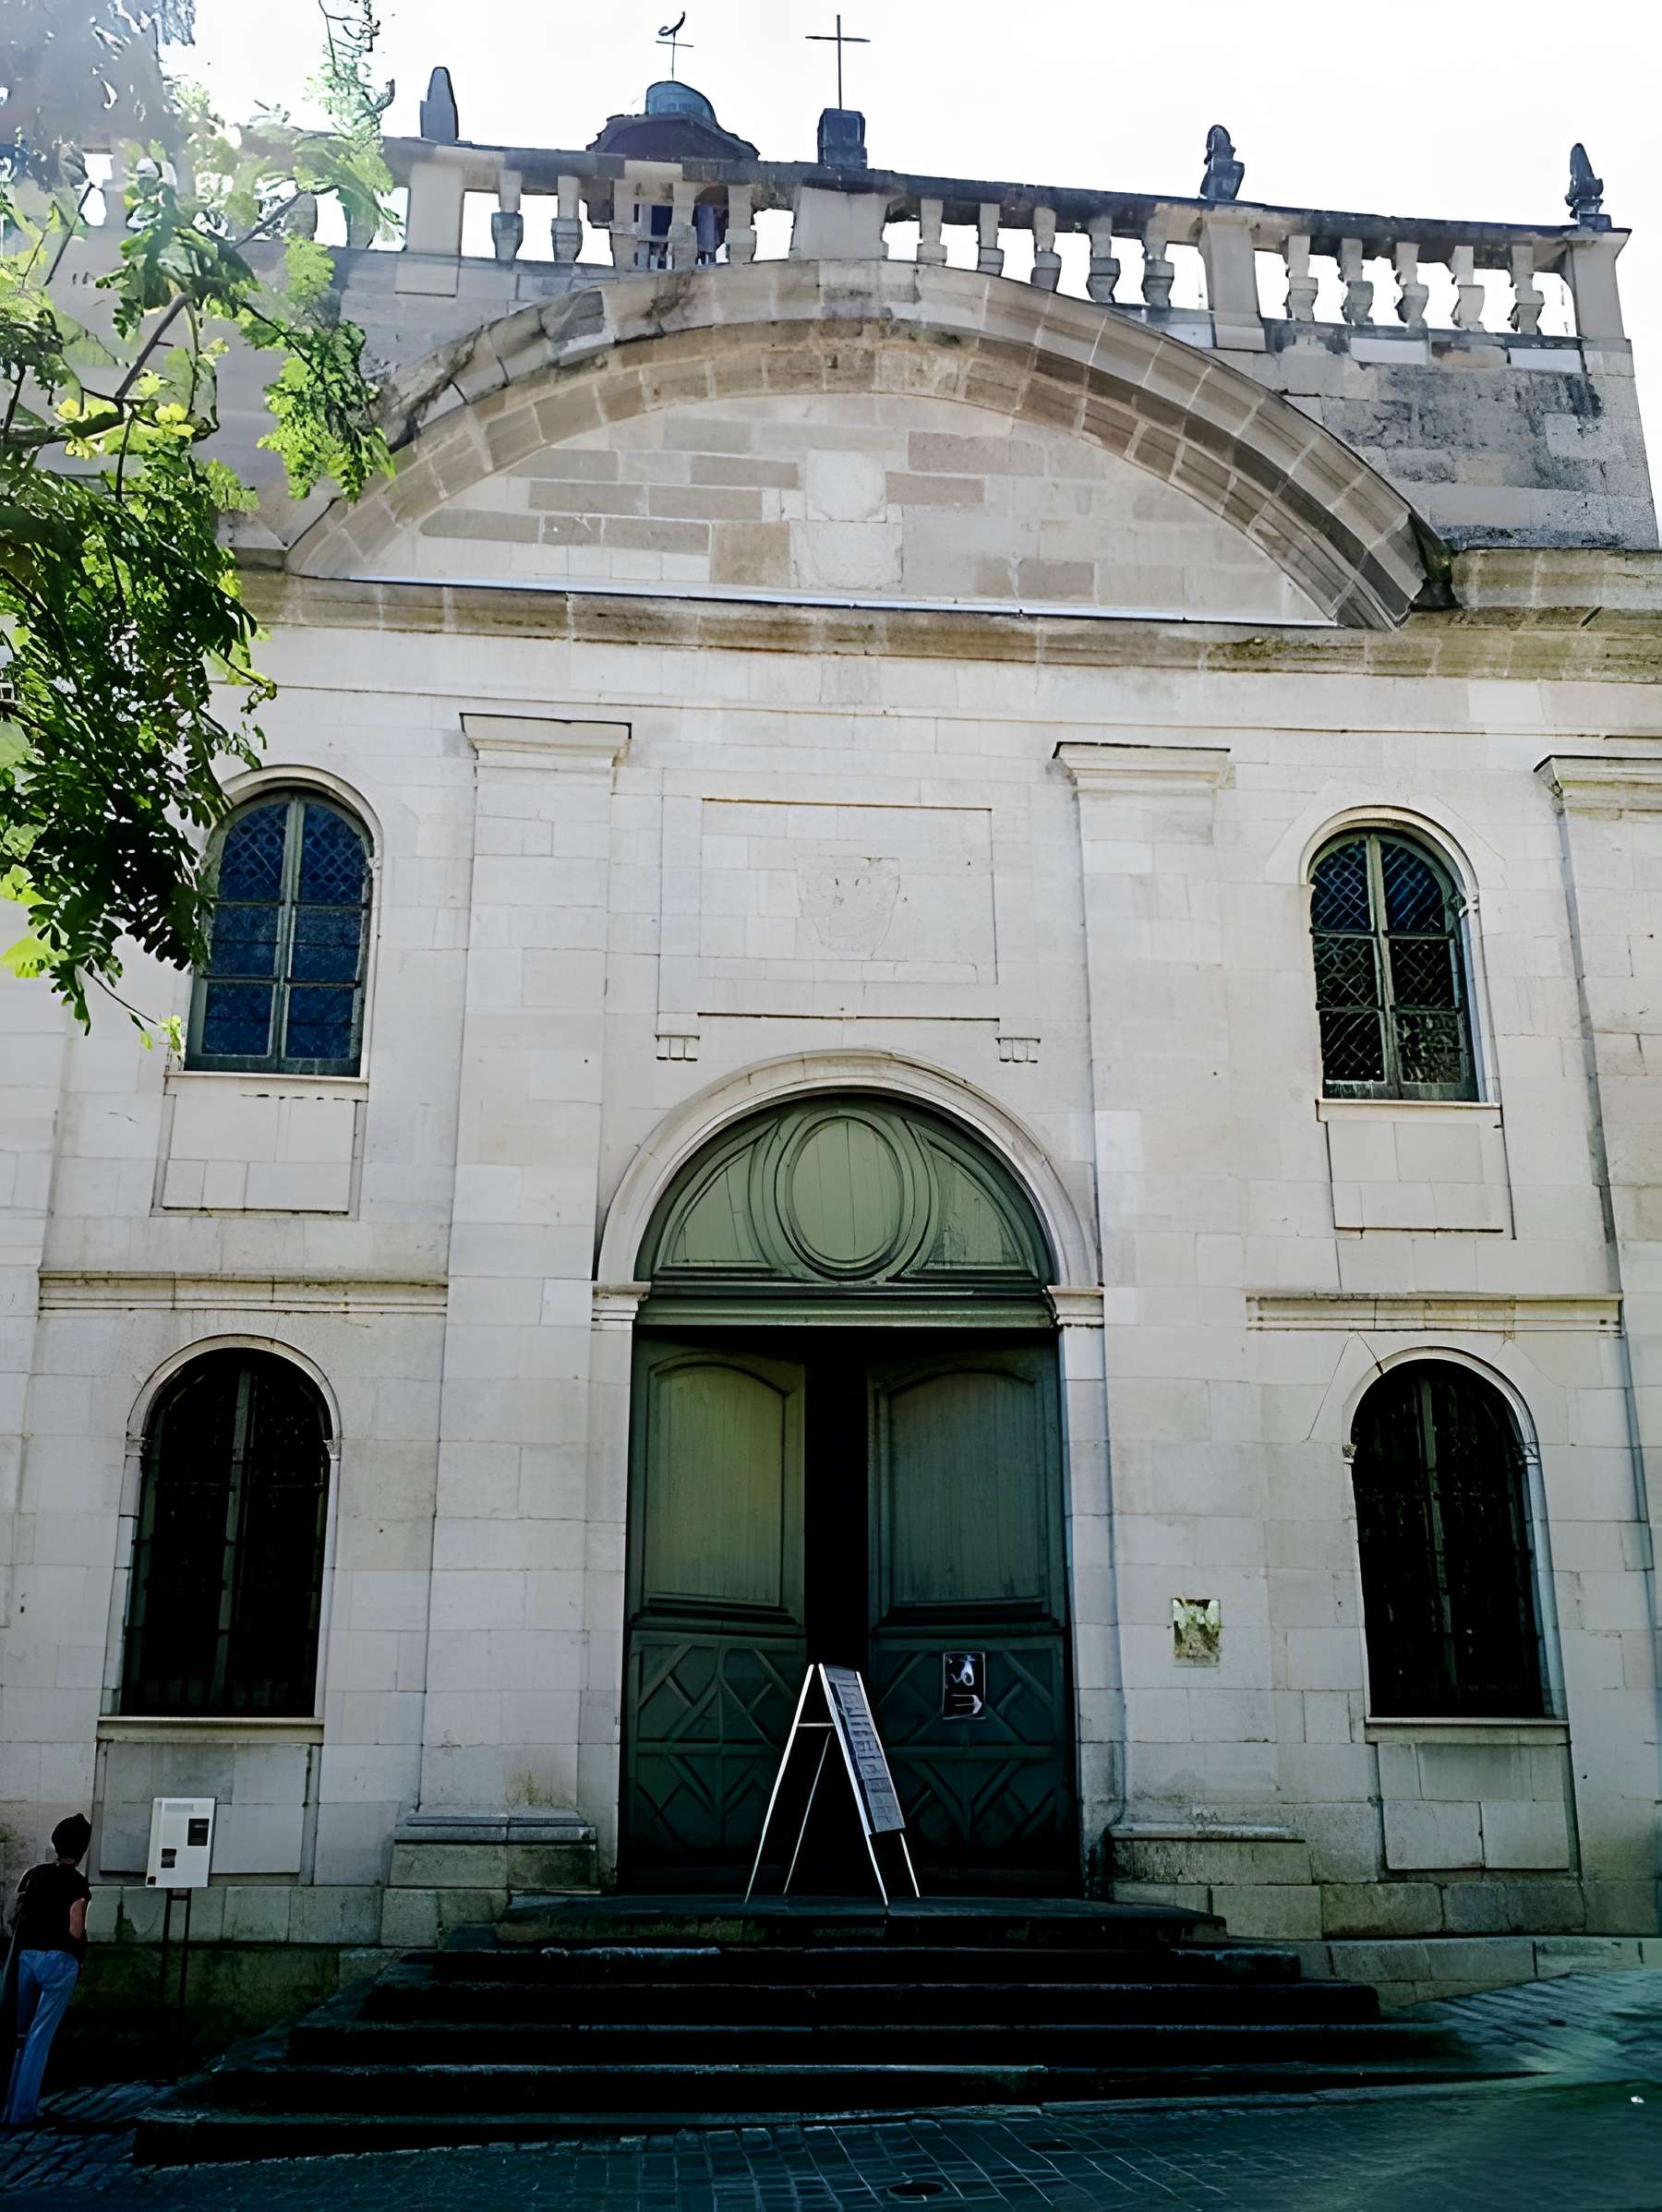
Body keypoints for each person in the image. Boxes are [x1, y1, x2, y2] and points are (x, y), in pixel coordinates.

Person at [2, 1814, 92, 2128]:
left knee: (20, 2036)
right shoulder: (77, 1882)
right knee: (40, 2038)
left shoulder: (34, 1874)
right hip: (59, 1960)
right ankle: (24, 2112)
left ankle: (9, 2108)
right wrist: (80, 1956)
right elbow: (75, 1927)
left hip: (27, 1956)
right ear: (81, 1849)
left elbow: (12, 1915)